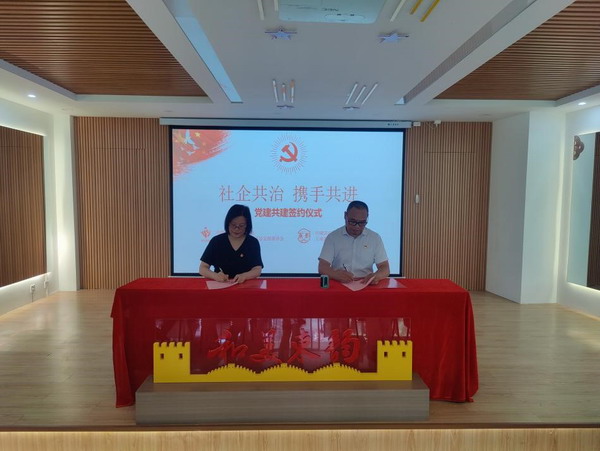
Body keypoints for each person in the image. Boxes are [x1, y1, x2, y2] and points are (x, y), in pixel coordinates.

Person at [318, 200, 390, 284]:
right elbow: (322, 267)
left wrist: (376, 276)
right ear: (345, 216)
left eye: (362, 223)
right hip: (339, 284)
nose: (357, 227)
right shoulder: (333, 237)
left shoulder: (374, 238)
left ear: (367, 218)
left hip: (365, 284)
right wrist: (336, 275)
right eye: (353, 222)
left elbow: (385, 268)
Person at [199, 204, 263, 283]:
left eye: (241, 226)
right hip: (220, 284)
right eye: (233, 225)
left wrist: (244, 276)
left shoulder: (252, 242)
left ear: (247, 225)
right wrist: (215, 276)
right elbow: (203, 268)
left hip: (246, 285)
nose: (236, 229)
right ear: (228, 223)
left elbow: (257, 269)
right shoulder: (217, 241)